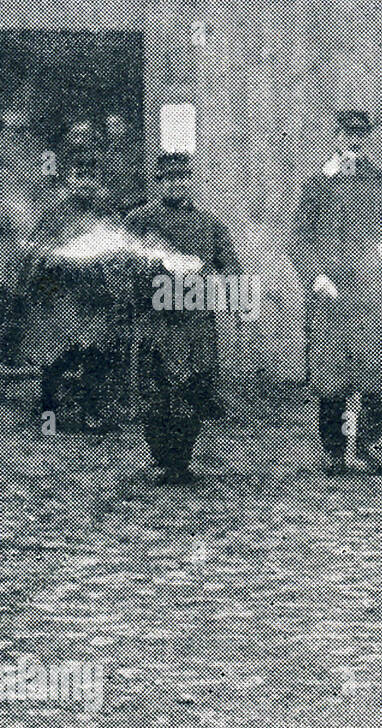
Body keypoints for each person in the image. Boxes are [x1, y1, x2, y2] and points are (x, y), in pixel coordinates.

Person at [289, 110, 382, 475]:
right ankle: (333, 450)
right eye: (347, 136)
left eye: (360, 137)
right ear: (336, 137)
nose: (353, 142)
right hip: (329, 294)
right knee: (331, 373)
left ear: (367, 140)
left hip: (372, 293)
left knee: (375, 370)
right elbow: (299, 240)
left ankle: (370, 444)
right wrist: (315, 275)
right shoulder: (316, 185)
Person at [125, 152, 234, 485]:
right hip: (156, 317)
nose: (177, 184)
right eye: (170, 179)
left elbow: (230, 267)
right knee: (156, 386)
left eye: (183, 178)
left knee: (195, 384)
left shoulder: (210, 223)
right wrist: (156, 272)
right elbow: (121, 265)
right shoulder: (140, 220)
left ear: (191, 182)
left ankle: (182, 459)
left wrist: (212, 282)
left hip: (196, 319)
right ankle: (161, 458)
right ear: (160, 183)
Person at [17, 147, 131, 432]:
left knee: (96, 354)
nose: (86, 182)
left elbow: (121, 250)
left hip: (94, 296)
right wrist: (54, 258)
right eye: (80, 176)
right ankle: (48, 414)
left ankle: (91, 412)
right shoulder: (55, 213)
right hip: (61, 296)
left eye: (91, 176)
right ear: (69, 178)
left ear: (98, 180)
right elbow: (34, 251)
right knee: (57, 357)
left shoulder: (107, 212)